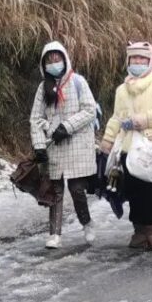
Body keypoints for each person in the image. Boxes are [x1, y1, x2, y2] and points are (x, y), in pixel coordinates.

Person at [100, 42, 152, 251]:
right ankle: (139, 229)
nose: (138, 62)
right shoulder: (122, 90)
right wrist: (107, 139)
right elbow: (117, 116)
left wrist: (140, 121)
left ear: (150, 61)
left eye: (142, 59)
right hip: (128, 146)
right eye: (134, 59)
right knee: (132, 189)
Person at [30, 41, 99, 249]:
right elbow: (35, 118)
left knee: (77, 189)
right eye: (49, 60)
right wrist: (39, 145)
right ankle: (54, 234)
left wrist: (66, 127)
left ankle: (86, 222)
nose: (53, 63)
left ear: (64, 59)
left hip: (78, 144)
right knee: (56, 191)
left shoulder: (78, 82)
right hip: (55, 146)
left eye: (57, 58)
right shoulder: (43, 88)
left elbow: (89, 110)